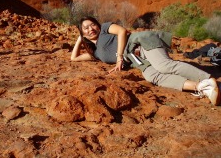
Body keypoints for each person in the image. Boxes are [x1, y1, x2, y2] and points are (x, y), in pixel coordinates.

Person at [70, 16, 221, 106]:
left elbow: (122, 31)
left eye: (92, 25)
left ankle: (209, 79)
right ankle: (202, 86)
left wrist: (119, 57)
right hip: (137, 59)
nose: (91, 29)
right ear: (82, 32)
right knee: (153, 76)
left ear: (97, 24)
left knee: (163, 65)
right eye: (85, 28)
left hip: (140, 43)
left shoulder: (105, 28)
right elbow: (74, 58)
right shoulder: (95, 53)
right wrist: (79, 40)